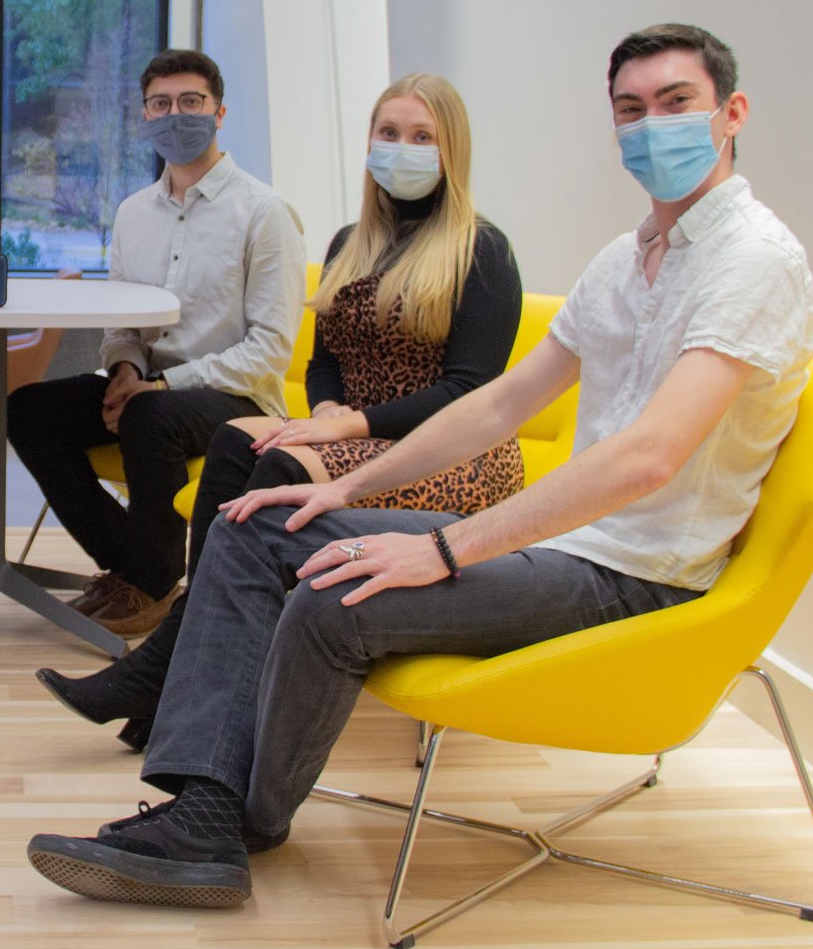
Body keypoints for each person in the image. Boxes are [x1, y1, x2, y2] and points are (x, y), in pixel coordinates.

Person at [27, 24, 813, 908]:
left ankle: (234, 819)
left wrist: (442, 550)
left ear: (731, 113)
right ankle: (206, 812)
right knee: (268, 524)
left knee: (337, 586)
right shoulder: (627, 260)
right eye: (630, 110)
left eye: (675, 104)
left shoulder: (753, 260)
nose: (648, 127)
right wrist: (343, 486)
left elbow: (649, 458)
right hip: (572, 541)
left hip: (634, 571)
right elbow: (501, 404)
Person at [37, 72, 524, 745]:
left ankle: (165, 675)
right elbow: (325, 362)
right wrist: (325, 414)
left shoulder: (483, 250)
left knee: (278, 475)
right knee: (240, 444)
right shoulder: (351, 242)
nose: (401, 148)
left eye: (421, 137)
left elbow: (470, 393)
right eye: (389, 133)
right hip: (353, 434)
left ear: (452, 151)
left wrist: (341, 425)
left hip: (451, 453)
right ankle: (177, 679)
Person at [7, 49, 307, 637]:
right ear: (145, 116)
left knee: (149, 414)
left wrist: (158, 385)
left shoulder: (264, 213)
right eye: (161, 104)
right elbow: (123, 322)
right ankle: (140, 570)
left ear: (219, 112)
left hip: (237, 397)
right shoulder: (132, 213)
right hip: (149, 388)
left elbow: (270, 349)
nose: (177, 115)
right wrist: (123, 370)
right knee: (27, 409)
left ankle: (147, 579)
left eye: (191, 102)